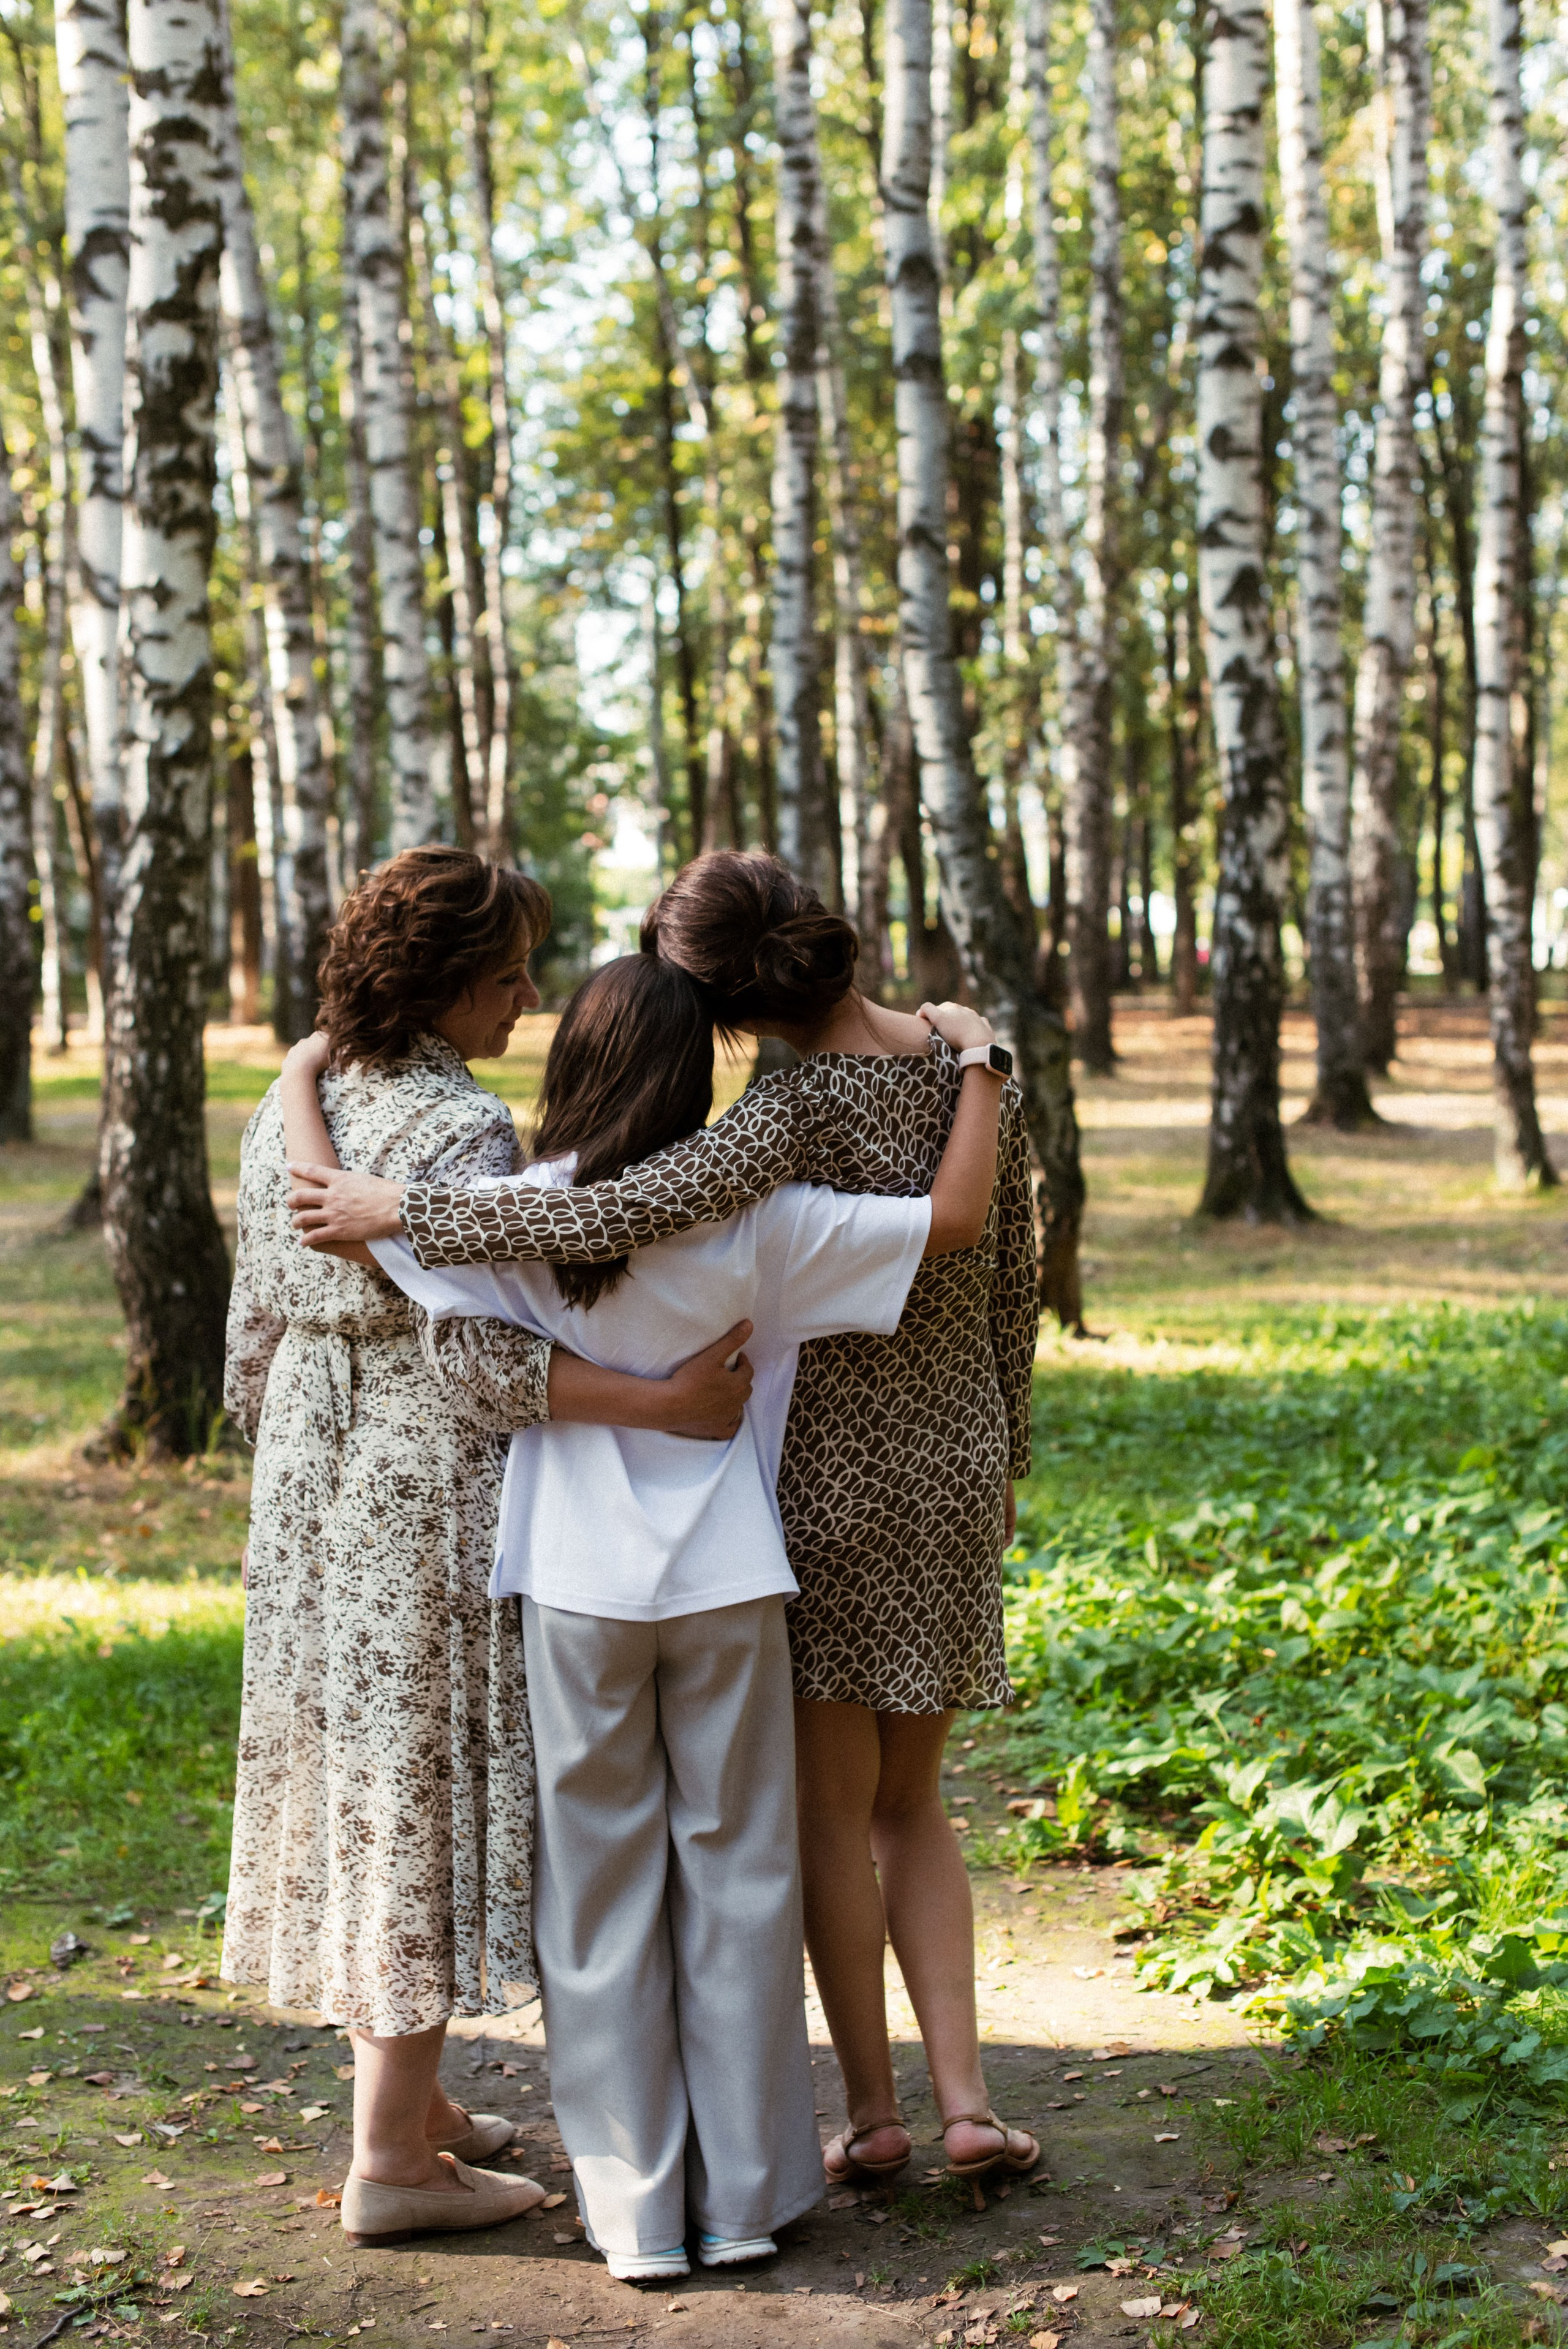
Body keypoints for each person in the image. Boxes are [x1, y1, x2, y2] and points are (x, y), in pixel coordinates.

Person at [288, 850, 1041, 2190]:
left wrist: (391, 1198)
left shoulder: (777, 1121)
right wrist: (1003, 1448)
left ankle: (863, 2115)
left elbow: (614, 1209)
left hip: (803, 1476)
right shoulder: (960, 1074)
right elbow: (1000, 1261)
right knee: (916, 1806)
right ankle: (966, 2098)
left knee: (812, 1817)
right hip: (947, 1463)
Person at [224, 847, 753, 2252]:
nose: (529, 995)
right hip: (415, 1488)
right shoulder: (460, 1134)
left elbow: (247, 1348)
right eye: (506, 973)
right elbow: (479, 1365)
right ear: (443, 981)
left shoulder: (296, 1108)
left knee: (350, 1777)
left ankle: (418, 2101)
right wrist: (657, 1401)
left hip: (305, 1478)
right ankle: (391, 2153)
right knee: (413, 1790)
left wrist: (297, 1453)